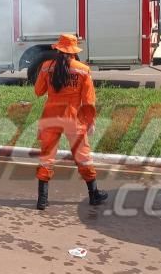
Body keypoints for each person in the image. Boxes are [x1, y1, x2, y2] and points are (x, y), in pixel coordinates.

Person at [34, 33, 107, 210]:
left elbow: (38, 92)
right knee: (83, 157)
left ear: (58, 48)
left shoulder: (45, 67)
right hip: (73, 118)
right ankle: (94, 195)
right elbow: (88, 101)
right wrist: (90, 122)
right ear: (73, 51)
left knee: (46, 157)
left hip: (51, 116)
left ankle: (42, 200)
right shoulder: (83, 70)